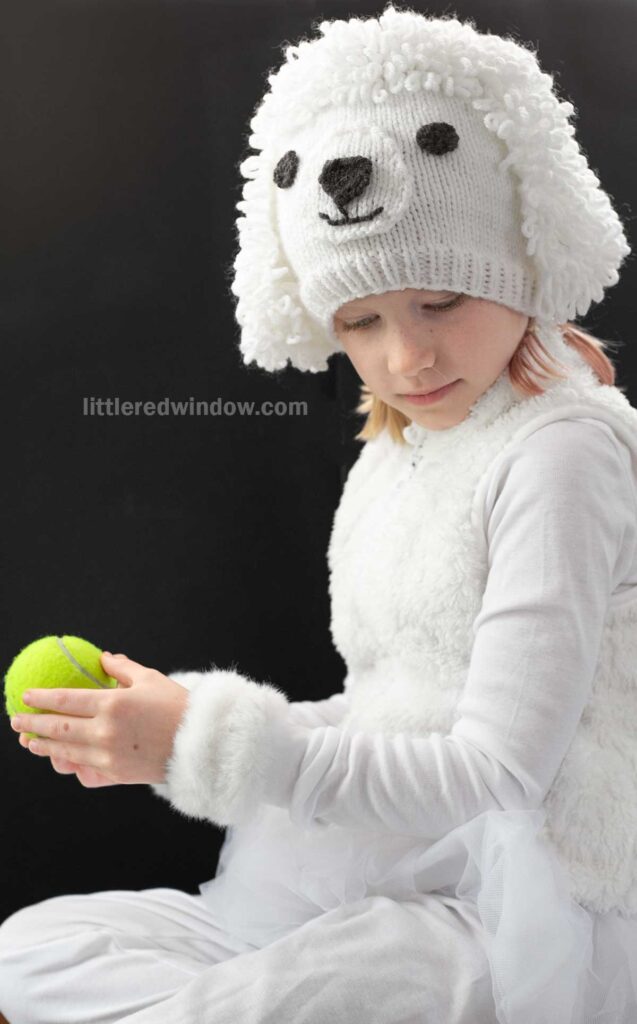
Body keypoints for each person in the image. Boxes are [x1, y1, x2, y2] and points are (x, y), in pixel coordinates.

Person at [1, 5, 636, 1023]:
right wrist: (181, 727)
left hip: (516, 899)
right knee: (27, 953)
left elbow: (498, 773)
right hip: (392, 856)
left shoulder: (561, 452)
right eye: (360, 320)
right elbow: (391, 704)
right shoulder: (406, 445)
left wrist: (217, 746)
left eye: (440, 300)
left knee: (224, 1007)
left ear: (520, 265)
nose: (404, 358)